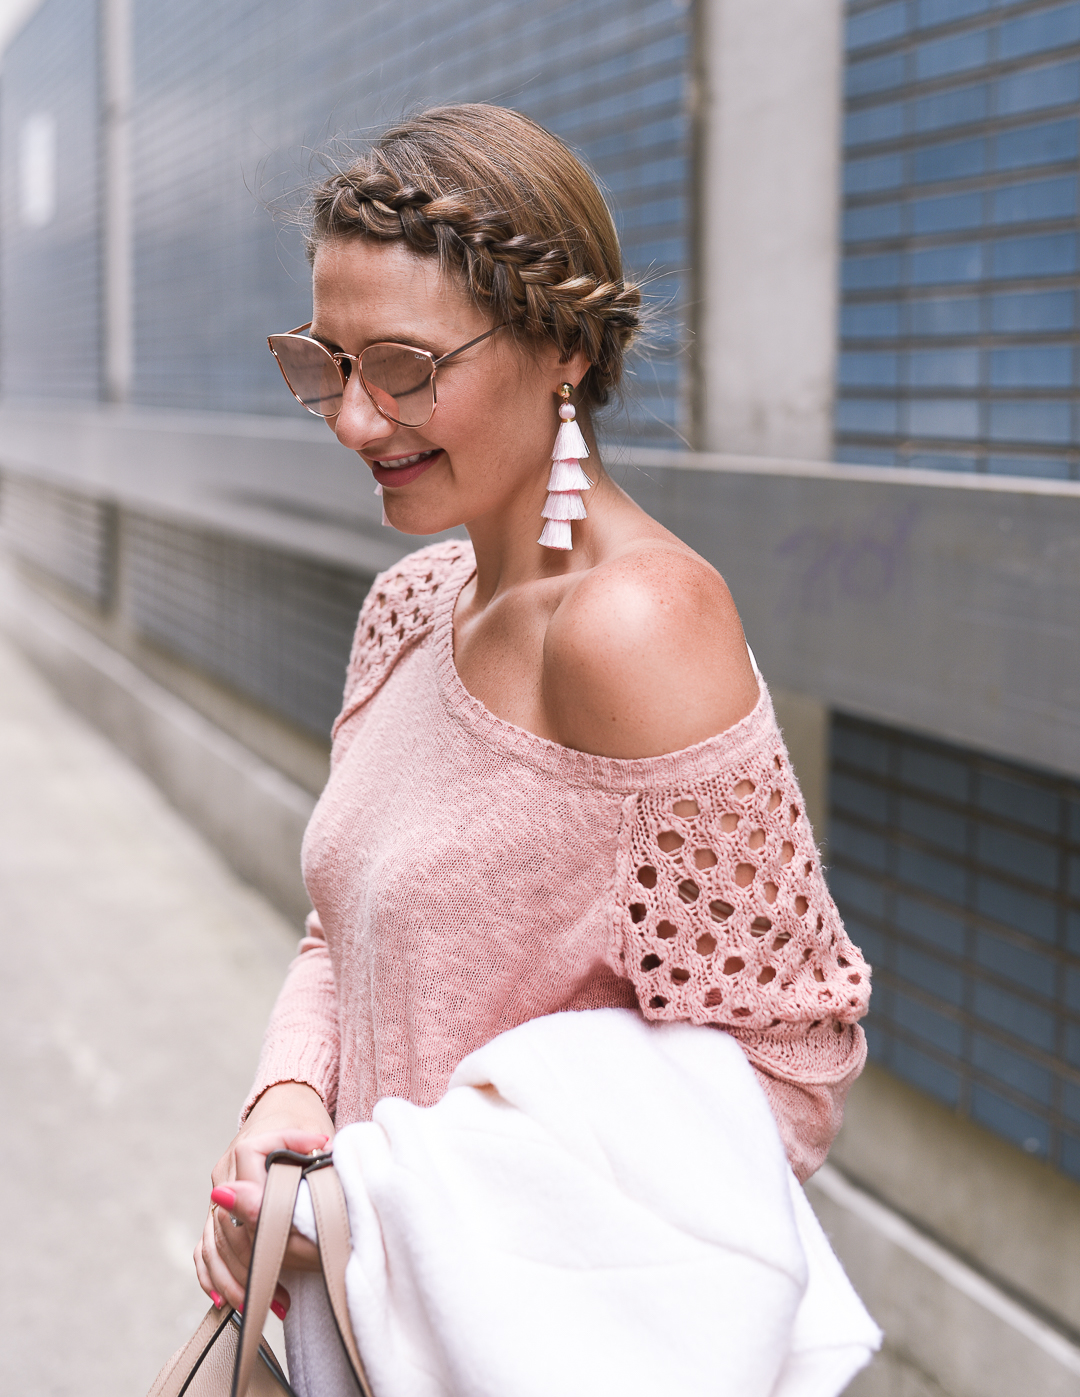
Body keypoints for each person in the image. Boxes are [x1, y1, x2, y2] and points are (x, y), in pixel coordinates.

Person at [194, 102, 871, 1343]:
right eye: (326, 364)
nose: (354, 418)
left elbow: (789, 1069)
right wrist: (287, 1104)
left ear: (560, 345)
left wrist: (397, 1200)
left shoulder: (638, 627)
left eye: (404, 366)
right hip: (364, 1322)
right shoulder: (409, 605)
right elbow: (342, 928)